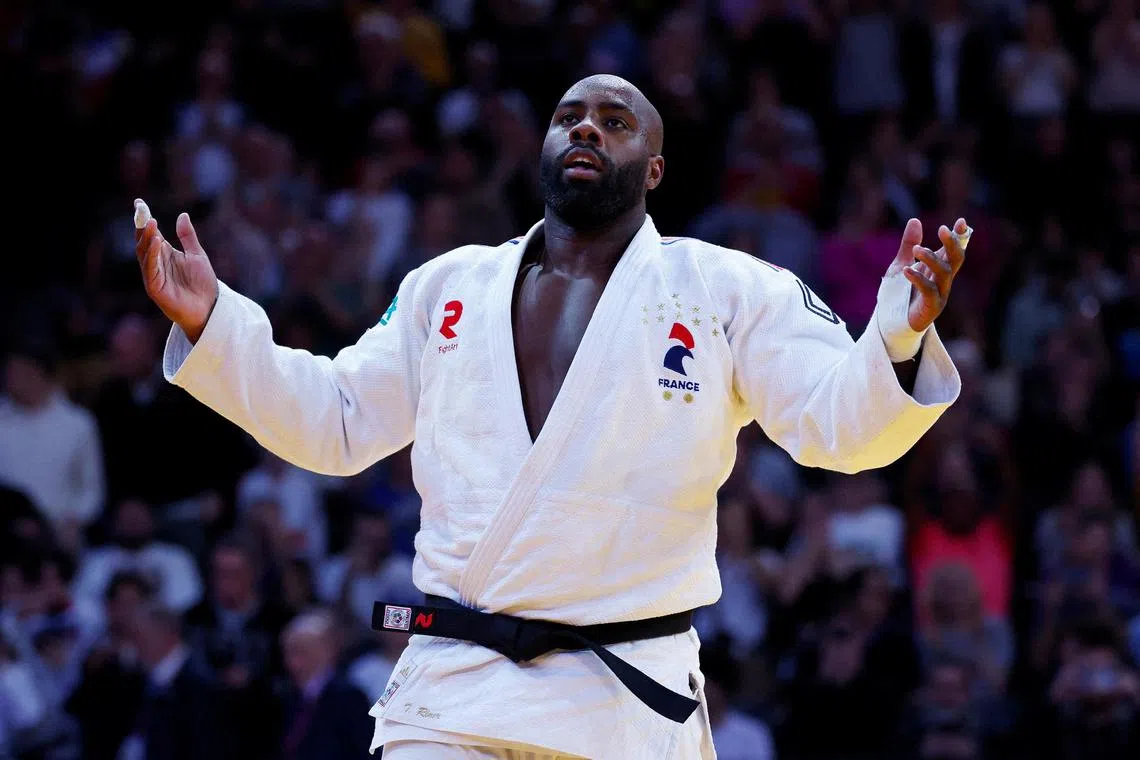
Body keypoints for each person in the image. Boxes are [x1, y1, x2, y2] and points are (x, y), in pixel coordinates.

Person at [132, 74, 966, 759]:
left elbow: (835, 426)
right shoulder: (448, 287)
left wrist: (895, 335)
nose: (587, 131)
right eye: (569, 117)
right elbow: (337, 419)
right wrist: (215, 325)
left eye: (614, 121)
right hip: (454, 694)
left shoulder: (723, 291)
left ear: (655, 169)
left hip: (622, 701)